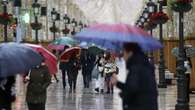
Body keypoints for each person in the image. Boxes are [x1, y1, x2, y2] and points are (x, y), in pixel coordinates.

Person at [111, 43, 158, 110]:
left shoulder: (136, 67)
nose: (123, 57)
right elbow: (135, 86)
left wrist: (123, 94)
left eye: (124, 53)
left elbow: (132, 89)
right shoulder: (143, 64)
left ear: (130, 53)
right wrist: (117, 83)